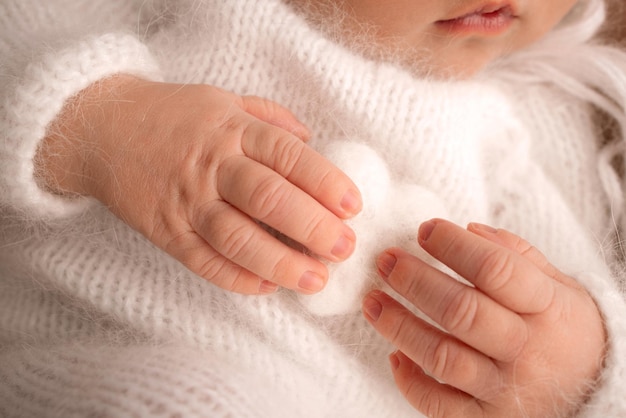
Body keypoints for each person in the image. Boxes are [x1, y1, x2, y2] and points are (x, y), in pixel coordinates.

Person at [0, 0, 625, 416]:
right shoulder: (200, 12)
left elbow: (563, 279)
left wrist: (580, 371)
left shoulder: (507, 133)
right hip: (122, 350)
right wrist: (104, 118)